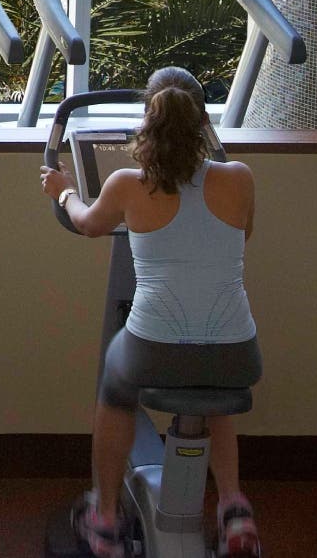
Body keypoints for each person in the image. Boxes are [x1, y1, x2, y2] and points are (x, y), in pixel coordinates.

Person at [39, 67, 262, 558]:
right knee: (215, 388)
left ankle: (104, 519)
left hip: (154, 348)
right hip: (237, 351)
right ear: (204, 124)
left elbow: (87, 223)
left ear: (149, 122)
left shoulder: (126, 184)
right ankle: (233, 509)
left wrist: (63, 190)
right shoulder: (240, 178)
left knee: (116, 388)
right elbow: (241, 235)